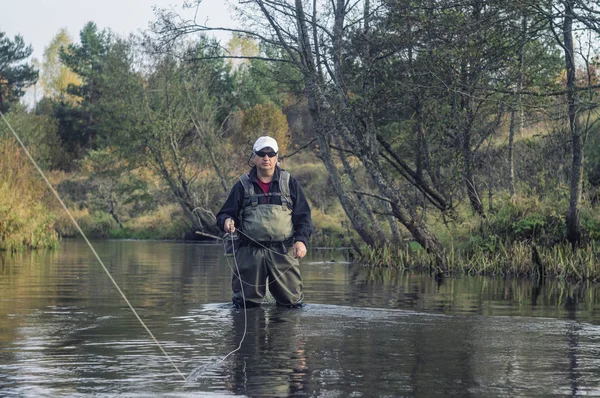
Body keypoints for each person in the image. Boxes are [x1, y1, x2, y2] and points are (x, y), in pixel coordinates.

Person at [217, 136, 312, 308]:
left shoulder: (289, 183)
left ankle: (284, 334)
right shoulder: (241, 185)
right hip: (249, 253)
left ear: (277, 158)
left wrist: (301, 241)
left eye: (270, 154)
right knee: (245, 305)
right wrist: (227, 222)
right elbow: (224, 214)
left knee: (291, 304)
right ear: (254, 158)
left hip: (283, 251)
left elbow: (303, 216)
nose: (266, 158)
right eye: (261, 153)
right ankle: (250, 334)